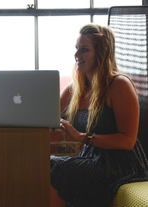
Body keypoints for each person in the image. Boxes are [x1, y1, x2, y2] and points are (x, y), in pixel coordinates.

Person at [50, 24, 148, 207]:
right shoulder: (75, 89)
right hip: (90, 159)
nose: (77, 55)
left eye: (84, 50)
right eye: (77, 49)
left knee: (54, 168)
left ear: (101, 54)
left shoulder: (119, 85)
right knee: (47, 165)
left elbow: (127, 141)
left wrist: (82, 137)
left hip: (120, 165)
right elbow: (48, 117)